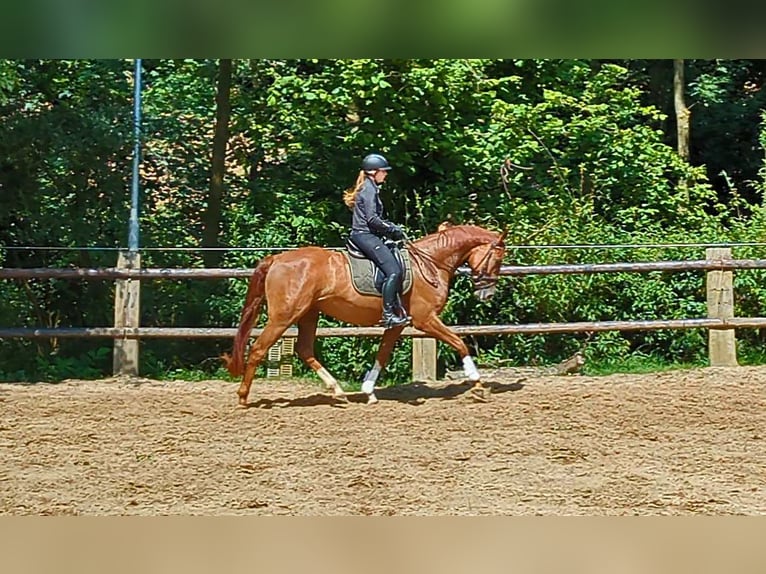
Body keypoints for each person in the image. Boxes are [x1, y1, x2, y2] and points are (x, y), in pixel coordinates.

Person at [344, 153, 411, 329]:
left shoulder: (370, 187)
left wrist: (389, 227)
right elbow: (372, 219)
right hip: (364, 235)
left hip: (368, 234)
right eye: (384, 171)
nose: (386, 174)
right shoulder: (369, 189)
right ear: (374, 172)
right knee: (394, 271)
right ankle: (388, 315)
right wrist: (391, 228)